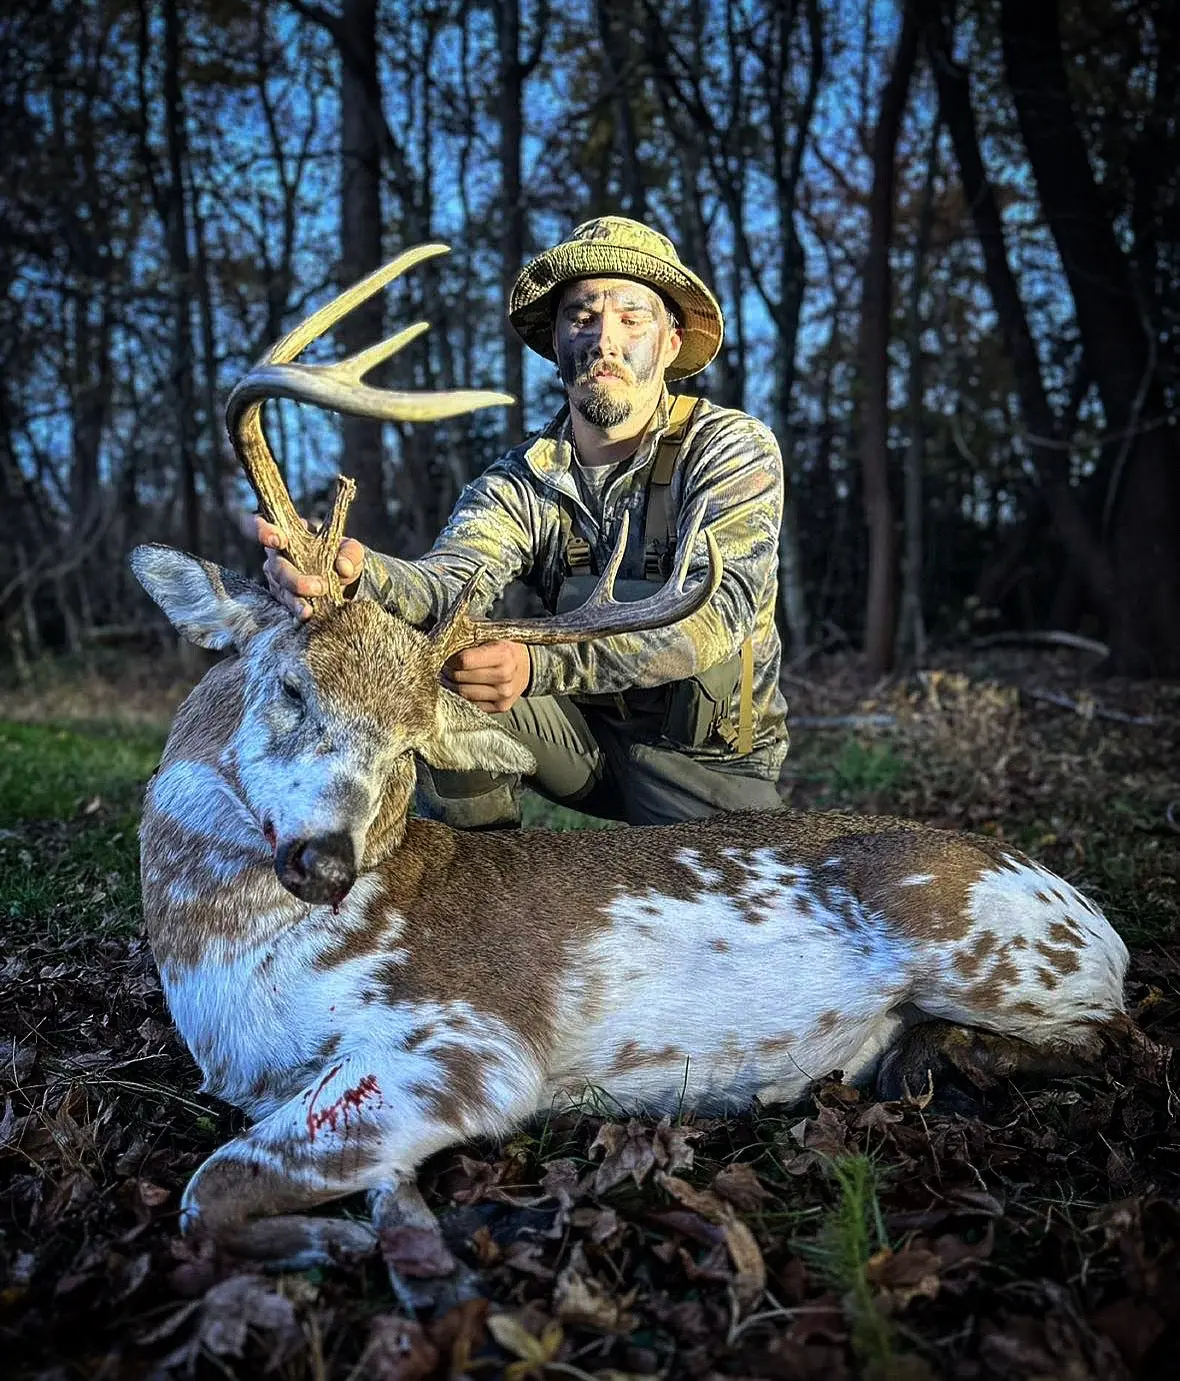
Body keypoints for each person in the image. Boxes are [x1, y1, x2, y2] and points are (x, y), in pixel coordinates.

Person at [253, 216, 790, 828]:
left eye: (631, 317)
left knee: (749, 915)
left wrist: (538, 667)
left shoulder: (730, 448)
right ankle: (479, 890)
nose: (603, 340)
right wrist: (355, 573)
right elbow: (449, 584)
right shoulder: (521, 480)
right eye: (582, 317)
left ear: (669, 343)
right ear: (556, 342)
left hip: (707, 766)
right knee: (442, 677)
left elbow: (716, 617)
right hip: (579, 741)